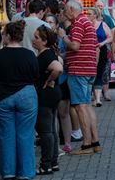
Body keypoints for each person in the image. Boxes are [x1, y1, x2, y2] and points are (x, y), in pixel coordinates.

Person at [0, 21, 39, 180]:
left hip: (3, 96)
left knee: (6, 135)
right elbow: (35, 75)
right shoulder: (29, 54)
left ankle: (8, 172)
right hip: (26, 95)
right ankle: (26, 173)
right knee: (26, 135)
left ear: (7, 36)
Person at [58, 0, 101, 155]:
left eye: (64, 10)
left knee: (80, 107)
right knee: (87, 106)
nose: (64, 13)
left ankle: (87, 145)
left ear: (71, 9)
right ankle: (95, 142)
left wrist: (63, 37)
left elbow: (75, 46)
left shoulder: (78, 23)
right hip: (88, 69)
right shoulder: (87, 22)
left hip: (78, 70)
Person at [32, 25, 63, 175]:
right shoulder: (49, 53)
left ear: (44, 41)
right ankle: (53, 162)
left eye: (36, 37)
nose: (33, 39)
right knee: (50, 129)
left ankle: (46, 165)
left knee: (45, 132)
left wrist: (50, 79)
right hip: (52, 94)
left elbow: (58, 68)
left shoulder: (46, 55)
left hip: (45, 96)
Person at [45, 14, 75, 153]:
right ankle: (52, 143)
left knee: (64, 112)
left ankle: (67, 142)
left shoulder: (62, 39)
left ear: (57, 25)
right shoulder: (41, 39)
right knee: (49, 113)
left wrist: (59, 56)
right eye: (46, 21)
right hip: (48, 79)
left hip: (62, 78)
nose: (48, 24)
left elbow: (70, 54)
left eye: (51, 22)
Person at [86, 7, 112, 107]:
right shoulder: (86, 25)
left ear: (95, 15)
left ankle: (97, 99)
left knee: (99, 73)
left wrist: (102, 43)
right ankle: (88, 97)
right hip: (89, 52)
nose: (87, 16)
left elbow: (110, 37)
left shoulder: (103, 24)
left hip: (101, 51)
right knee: (90, 73)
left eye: (89, 14)